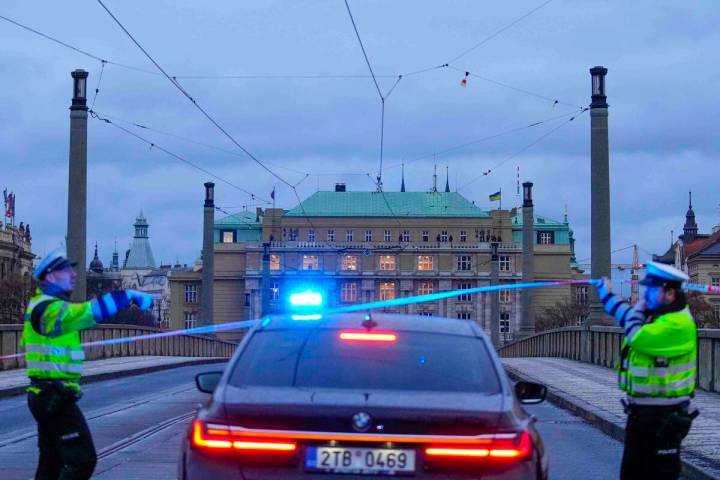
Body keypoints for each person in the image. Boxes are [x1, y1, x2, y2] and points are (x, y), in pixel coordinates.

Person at [21, 249, 154, 480]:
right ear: (51, 277)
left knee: (51, 463)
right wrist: (127, 296)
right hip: (53, 396)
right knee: (82, 460)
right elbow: (87, 312)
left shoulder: (43, 306)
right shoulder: (47, 309)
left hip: (46, 394)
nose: (73, 275)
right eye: (66, 271)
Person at [593, 261, 699, 480]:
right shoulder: (659, 316)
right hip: (642, 414)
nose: (645, 295)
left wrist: (638, 307)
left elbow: (636, 335)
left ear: (669, 293)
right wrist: (607, 296)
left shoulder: (677, 324)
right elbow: (627, 317)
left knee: (657, 475)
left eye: (651, 290)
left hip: (665, 418)